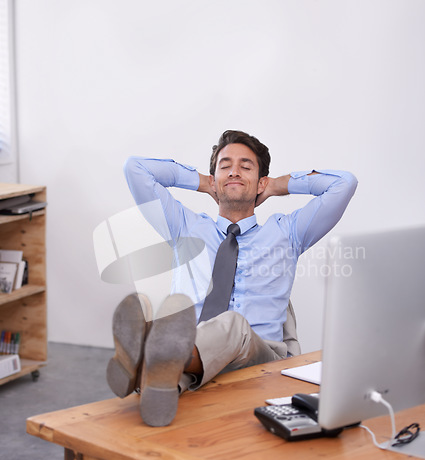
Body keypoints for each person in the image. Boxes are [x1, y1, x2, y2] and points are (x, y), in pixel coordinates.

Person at [107, 130, 358, 427]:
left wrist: (278, 186)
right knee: (182, 333)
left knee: (233, 324)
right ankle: (161, 378)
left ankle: (152, 359)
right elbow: (135, 168)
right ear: (214, 180)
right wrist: (202, 182)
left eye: (246, 167)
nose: (234, 172)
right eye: (225, 166)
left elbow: (344, 184)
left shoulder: (287, 232)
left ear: (260, 182)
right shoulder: (184, 227)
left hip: (260, 356)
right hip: (198, 351)